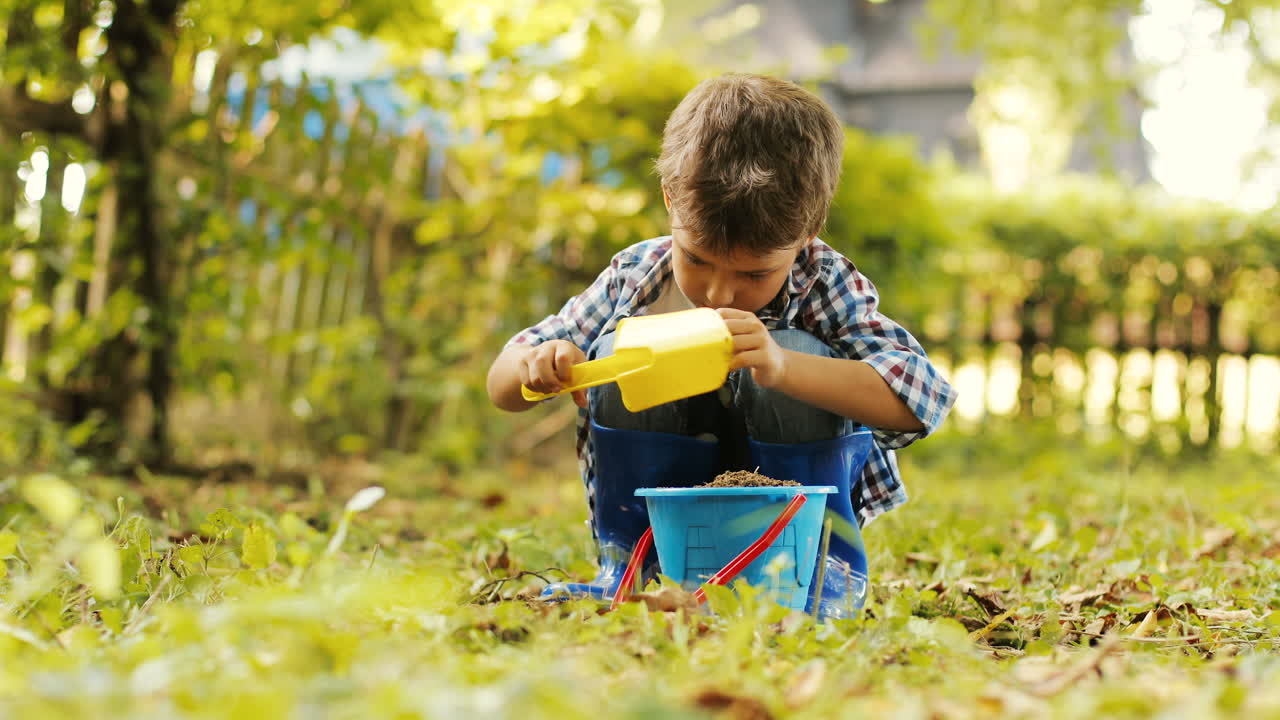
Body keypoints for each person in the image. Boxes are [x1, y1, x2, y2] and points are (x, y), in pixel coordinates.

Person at [486, 73, 956, 618]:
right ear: (670, 202)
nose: (718, 292)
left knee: (798, 346)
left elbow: (921, 399)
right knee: (615, 353)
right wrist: (539, 365)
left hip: (792, 533)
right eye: (699, 260)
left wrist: (784, 365)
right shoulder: (637, 278)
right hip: (662, 527)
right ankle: (635, 571)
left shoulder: (824, 282)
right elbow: (504, 382)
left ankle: (815, 579)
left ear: (808, 231)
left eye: (755, 273)